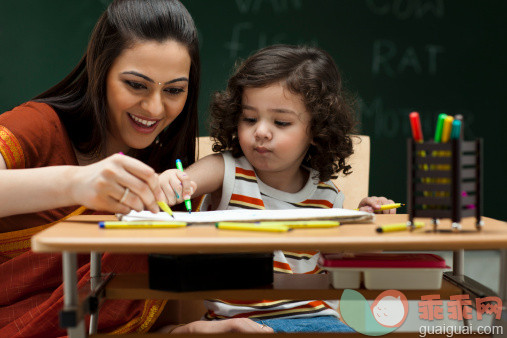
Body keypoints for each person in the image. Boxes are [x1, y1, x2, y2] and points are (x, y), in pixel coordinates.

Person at [0, 0, 207, 335]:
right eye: (136, 85)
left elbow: (146, 324)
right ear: (101, 70)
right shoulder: (40, 126)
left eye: (173, 90)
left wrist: (190, 332)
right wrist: (75, 182)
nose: (154, 108)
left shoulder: (169, 176)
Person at [159, 44, 395, 333]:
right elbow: (184, 183)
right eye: (249, 118)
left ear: (317, 132)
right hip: (236, 325)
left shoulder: (327, 195)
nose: (260, 131)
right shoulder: (226, 169)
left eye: (281, 122)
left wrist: (367, 223)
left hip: (316, 321)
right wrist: (172, 181)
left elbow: (344, 267)